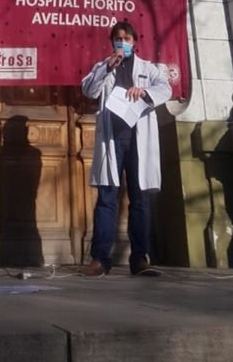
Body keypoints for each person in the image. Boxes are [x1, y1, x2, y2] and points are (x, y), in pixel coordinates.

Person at [80, 20, 171, 276]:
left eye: (127, 39)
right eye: (118, 39)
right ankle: (100, 259)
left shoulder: (148, 69)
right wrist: (108, 67)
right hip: (113, 138)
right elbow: (88, 90)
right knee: (107, 197)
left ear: (135, 42)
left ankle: (140, 258)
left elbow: (166, 88)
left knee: (140, 199)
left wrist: (143, 92)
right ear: (113, 43)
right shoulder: (103, 66)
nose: (123, 43)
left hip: (138, 139)